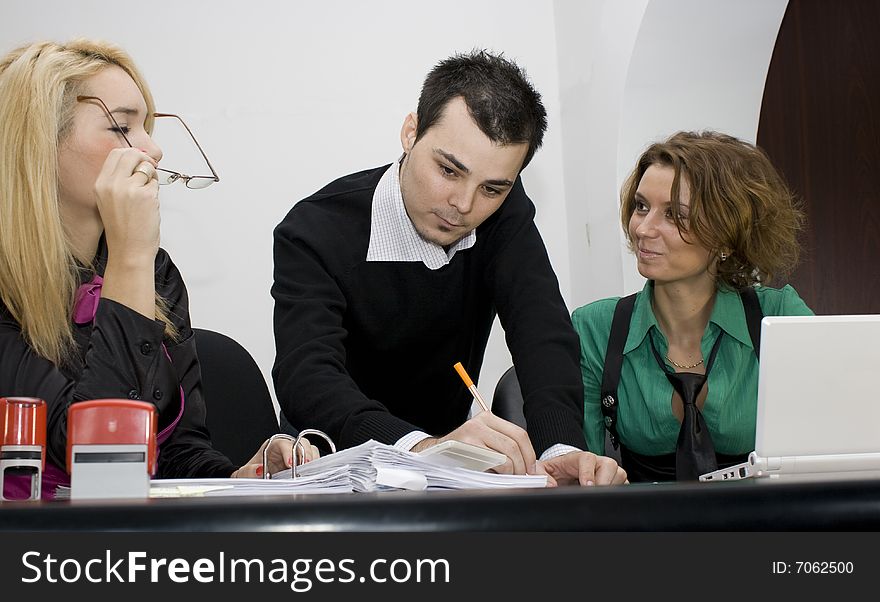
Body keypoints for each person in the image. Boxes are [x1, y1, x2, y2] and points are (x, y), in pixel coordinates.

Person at [272, 50, 625, 486]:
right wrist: (420, 448)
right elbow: (306, 373)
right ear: (410, 132)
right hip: (330, 462)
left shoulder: (504, 216)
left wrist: (561, 450)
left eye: (493, 188)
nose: (464, 205)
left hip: (449, 468)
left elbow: (542, 334)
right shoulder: (316, 228)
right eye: (448, 170)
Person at [0, 39, 316, 500]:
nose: (153, 149)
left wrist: (236, 478)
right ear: (38, 144)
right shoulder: (132, 261)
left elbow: (177, 452)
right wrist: (131, 254)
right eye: (121, 126)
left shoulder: (157, 270)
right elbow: (101, 465)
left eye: (146, 126)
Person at [572, 130, 813, 482]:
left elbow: (830, 448)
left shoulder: (780, 317)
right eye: (642, 207)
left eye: (673, 215)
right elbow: (582, 477)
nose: (643, 229)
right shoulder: (595, 328)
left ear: (725, 232)